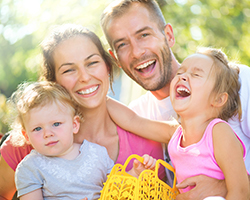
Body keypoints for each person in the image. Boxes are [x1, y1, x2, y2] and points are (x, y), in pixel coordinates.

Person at [101, 0, 250, 199]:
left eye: (144, 35)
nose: (137, 52)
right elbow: (132, 121)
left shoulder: (237, 81)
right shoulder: (146, 117)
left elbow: (239, 190)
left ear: (168, 35)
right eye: (122, 44)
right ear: (115, 58)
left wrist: (223, 187)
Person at [0, 24, 165, 200]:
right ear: (53, 82)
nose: (84, 77)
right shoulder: (30, 140)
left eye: (92, 63)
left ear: (108, 66)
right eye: (69, 69)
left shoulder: (146, 149)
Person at [10, 81, 155, 200]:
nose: (48, 134)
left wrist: (136, 173)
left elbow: (117, 187)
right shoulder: (30, 167)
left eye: (56, 124)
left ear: (74, 125)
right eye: (37, 129)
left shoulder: (97, 153)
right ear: (27, 136)